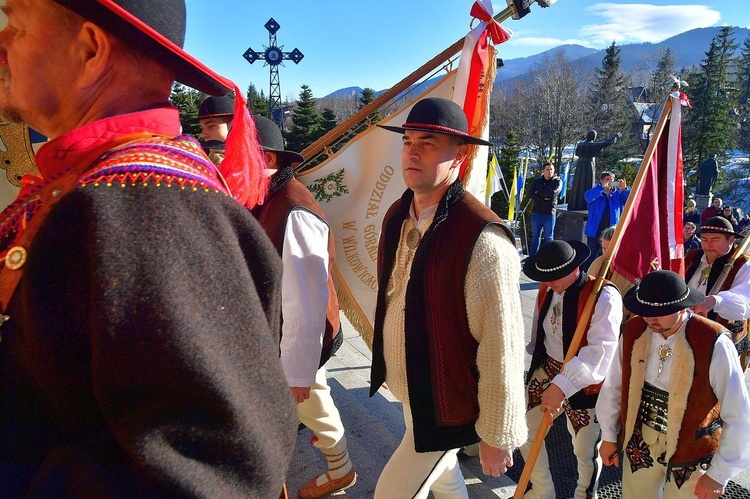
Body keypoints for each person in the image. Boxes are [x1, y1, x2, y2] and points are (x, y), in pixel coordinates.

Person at [0, 0, 296, 496]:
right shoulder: (109, 187)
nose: (3, 41)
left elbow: (214, 472)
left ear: (91, 49)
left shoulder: (148, 203)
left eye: (17, 24)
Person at [371, 97, 528, 498]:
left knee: (391, 493)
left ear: (461, 154)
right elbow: (393, 300)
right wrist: (391, 367)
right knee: (445, 479)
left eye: (427, 142)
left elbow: (502, 345)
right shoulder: (396, 215)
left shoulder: (482, 238)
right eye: (407, 142)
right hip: (414, 389)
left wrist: (497, 432)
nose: (412, 152)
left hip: (448, 400)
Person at [251, 115, 356, 498]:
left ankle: (339, 467)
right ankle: (340, 467)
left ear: (268, 159)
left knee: (308, 396)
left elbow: (306, 299)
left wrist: (296, 371)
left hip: (299, 332)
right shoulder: (266, 195)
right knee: (313, 399)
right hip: (279, 332)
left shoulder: (293, 208)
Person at [597, 270, 750, 499]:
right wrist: (609, 435)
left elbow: (738, 412)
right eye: (645, 312)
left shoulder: (713, 341)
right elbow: (614, 387)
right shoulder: (633, 330)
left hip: (693, 445)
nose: (650, 319)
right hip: (641, 439)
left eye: (658, 313)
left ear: (681, 307)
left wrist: (720, 474)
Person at [520, 240, 622, 499]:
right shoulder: (546, 288)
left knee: (584, 448)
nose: (549, 280)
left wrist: (562, 385)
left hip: (584, 379)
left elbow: (600, 353)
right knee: (523, 429)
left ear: (574, 268)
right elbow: (539, 335)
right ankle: (542, 491)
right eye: (545, 276)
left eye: (554, 275)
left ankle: (585, 494)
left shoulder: (603, 295)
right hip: (548, 369)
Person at [684, 216, 750, 369]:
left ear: (731, 240)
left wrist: (714, 301)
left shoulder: (743, 265)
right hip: (686, 332)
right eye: (705, 239)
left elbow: (744, 305)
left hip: (722, 338)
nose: (708, 245)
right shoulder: (692, 257)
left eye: (715, 239)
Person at [583, 171, 630, 270]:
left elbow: (630, 200)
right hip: (595, 230)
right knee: (591, 255)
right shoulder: (596, 192)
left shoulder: (618, 194)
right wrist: (600, 187)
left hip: (611, 231)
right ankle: (588, 273)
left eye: (612, 180)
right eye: (607, 180)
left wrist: (625, 189)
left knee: (609, 255)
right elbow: (587, 198)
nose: (610, 182)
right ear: (601, 181)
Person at [586, 225, 634, 316]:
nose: (607, 253)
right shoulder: (597, 263)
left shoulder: (631, 270)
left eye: (611, 249)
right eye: (604, 248)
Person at [568, 130, 621, 211]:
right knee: (587, 183)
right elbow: (606, 143)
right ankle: (584, 204)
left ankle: (575, 203)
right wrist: (615, 136)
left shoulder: (580, 144)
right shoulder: (592, 145)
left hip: (579, 165)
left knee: (577, 183)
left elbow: (577, 153)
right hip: (588, 164)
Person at [528, 161, 562, 256]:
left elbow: (552, 194)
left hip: (549, 214)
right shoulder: (536, 181)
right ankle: (532, 258)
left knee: (549, 238)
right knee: (535, 237)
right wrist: (545, 197)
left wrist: (538, 193)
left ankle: (548, 258)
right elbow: (530, 194)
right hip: (536, 213)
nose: (549, 171)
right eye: (547, 169)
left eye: (551, 169)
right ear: (543, 171)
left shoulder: (557, 181)